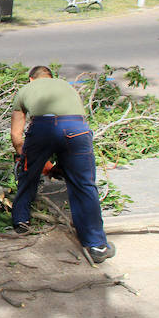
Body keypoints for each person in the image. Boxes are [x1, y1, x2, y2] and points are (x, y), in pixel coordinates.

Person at [10, 65, 115, 263]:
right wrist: (59, 166)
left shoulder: (24, 90)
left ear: (31, 79)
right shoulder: (66, 86)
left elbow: (16, 136)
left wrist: (26, 160)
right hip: (77, 128)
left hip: (42, 129)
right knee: (84, 184)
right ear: (51, 77)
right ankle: (97, 245)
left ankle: (21, 221)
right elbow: (66, 129)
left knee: (27, 175)